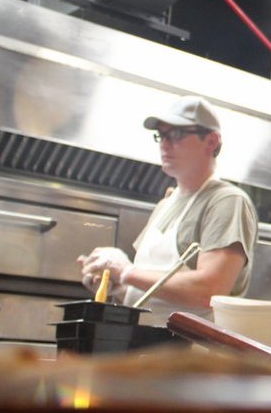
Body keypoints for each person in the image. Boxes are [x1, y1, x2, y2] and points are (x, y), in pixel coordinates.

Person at [78, 96, 258, 314]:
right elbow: (151, 298)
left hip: (191, 337)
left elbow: (210, 291)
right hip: (145, 335)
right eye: (161, 135)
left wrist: (125, 272)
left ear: (211, 141)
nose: (164, 143)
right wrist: (116, 285)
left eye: (177, 134)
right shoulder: (164, 205)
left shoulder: (226, 201)